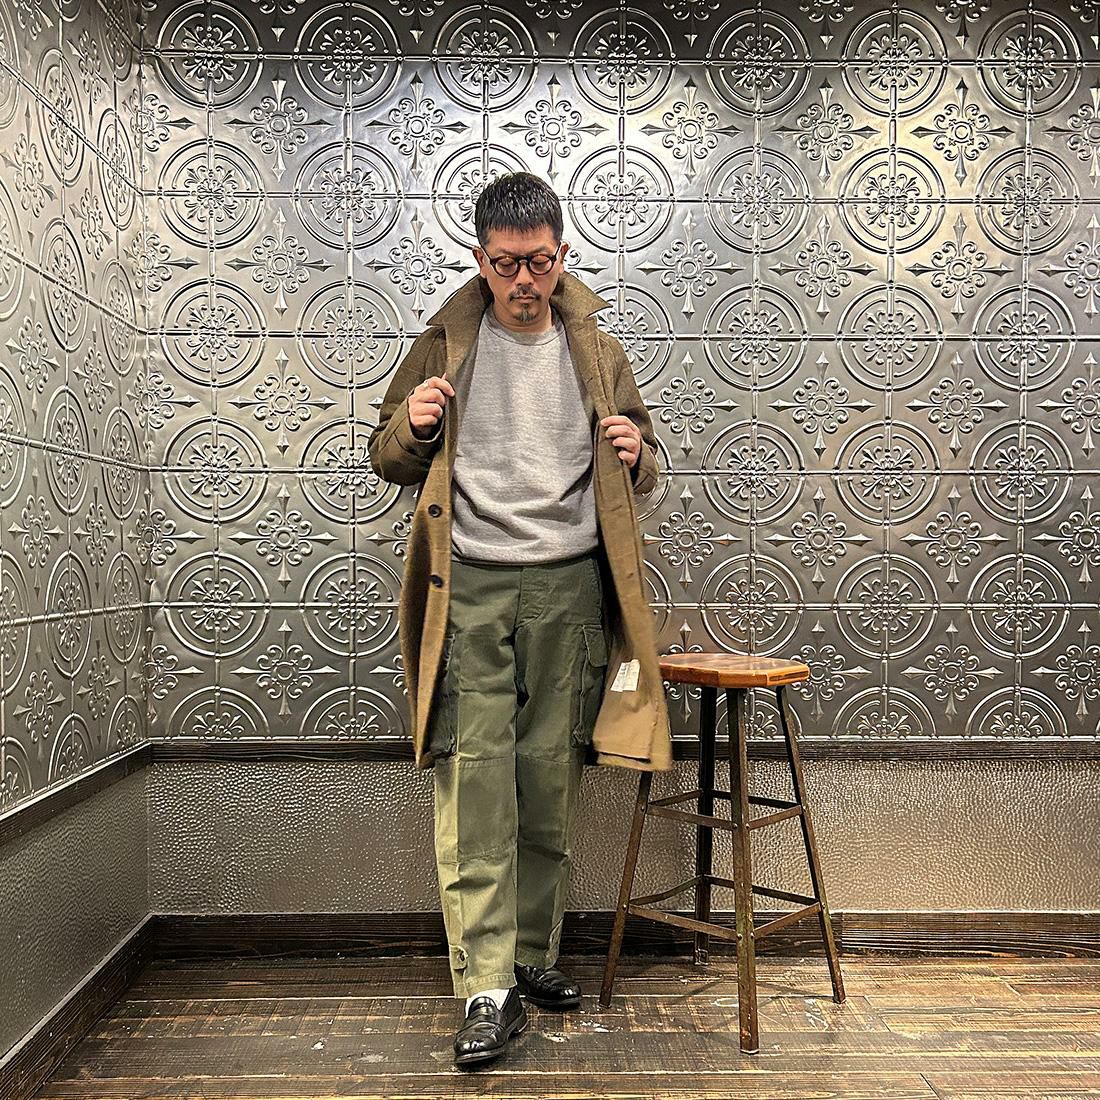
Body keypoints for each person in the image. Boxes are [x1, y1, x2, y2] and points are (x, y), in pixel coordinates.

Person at [367, 171, 672, 1068]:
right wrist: (416, 423)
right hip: (468, 585)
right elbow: (387, 455)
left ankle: (531, 952)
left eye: (539, 261)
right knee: (475, 779)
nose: (524, 280)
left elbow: (647, 461)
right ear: (480, 259)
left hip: (571, 585)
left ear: (563, 253)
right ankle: (486, 985)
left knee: (550, 774)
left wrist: (637, 453)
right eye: (506, 264)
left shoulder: (598, 349)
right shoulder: (443, 344)